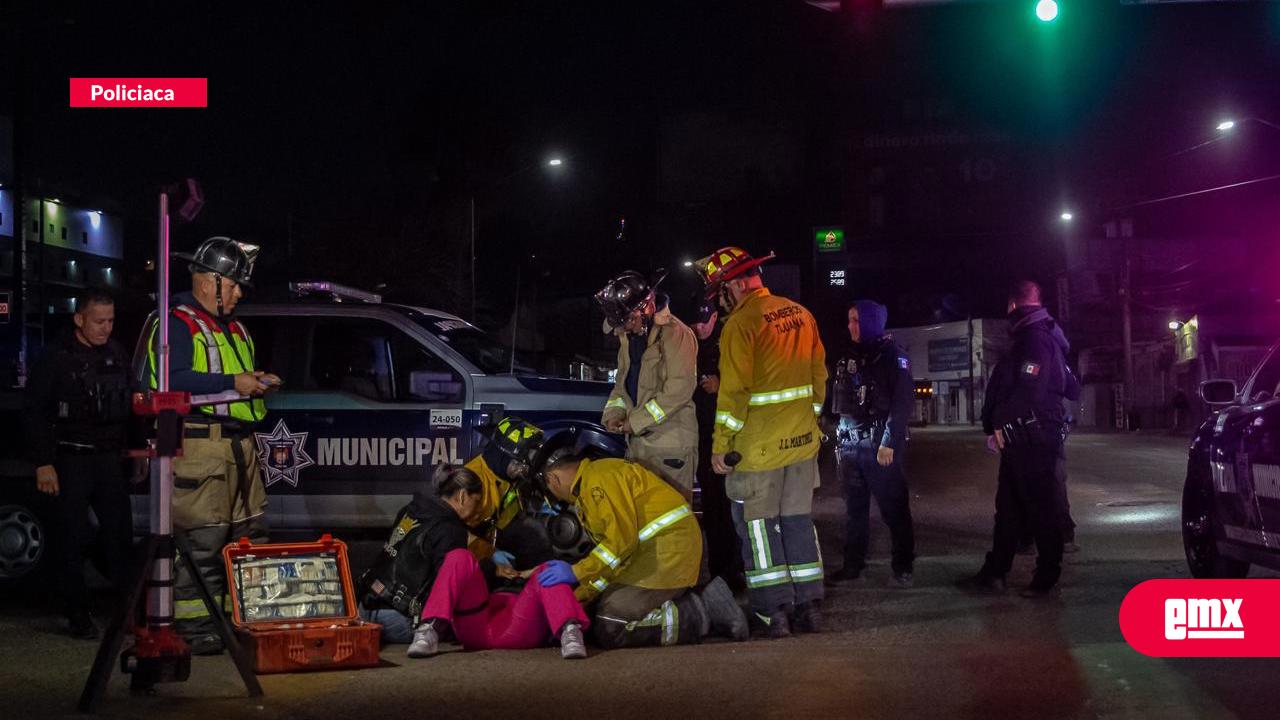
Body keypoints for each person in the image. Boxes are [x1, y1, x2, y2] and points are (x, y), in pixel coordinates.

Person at [147, 237, 280, 654]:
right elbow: (166, 380)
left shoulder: (233, 327)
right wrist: (232, 383)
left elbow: (231, 381)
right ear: (210, 282)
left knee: (246, 538)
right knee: (202, 541)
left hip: (239, 448)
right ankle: (194, 625)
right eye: (235, 284)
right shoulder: (175, 323)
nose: (239, 293)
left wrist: (255, 380)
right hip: (202, 446)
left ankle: (234, 619)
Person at [695, 246, 828, 638]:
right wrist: (809, 420)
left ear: (736, 284)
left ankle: (774, 614)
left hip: (758, 452)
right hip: (802, 446)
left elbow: (734, 393)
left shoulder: (741, 325)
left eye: (721, 291)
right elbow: (819, 379)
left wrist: (721, 444)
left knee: (759, 531)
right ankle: (808, 608)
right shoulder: (801, 314)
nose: (722, 299)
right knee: (799, 524)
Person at [360, 465, 591, 660]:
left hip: (368, 607)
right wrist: (496, 571)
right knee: (550, 570)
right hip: (402, 618)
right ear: (461, 496)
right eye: (476, 501)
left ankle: (428, 630)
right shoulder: (450, 531)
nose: (478, 510)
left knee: (465, 559)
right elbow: (449, 582)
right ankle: (570, 632)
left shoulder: (410, 511)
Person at [538, 452, 749, 649]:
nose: (558, 499)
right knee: (598, 611)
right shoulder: (597, 477)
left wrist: (576, 573)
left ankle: (700, 612)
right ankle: (702, 597)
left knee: (610, 625)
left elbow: (619, 545)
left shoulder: (597, 483)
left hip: (666, 554)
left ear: (553, 479)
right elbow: (613, 559)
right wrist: (583, 595)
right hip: (659, 552)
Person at [23, 288, 134, 639]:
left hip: (108, 459)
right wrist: (44, 463)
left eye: (111, 321)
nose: (106, 328)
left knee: (120, 535)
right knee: (70, 538)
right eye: (99, 321)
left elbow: (131, 404)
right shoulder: (56, 358)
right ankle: (78, 615)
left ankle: (126, 611)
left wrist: (135, 451)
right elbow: (34, 413)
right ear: (79, 319)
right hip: (71, 458)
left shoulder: (116, 353)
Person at [964, 280, 1074, 598]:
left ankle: (1046, 577)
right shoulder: (1030, 337)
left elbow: (1030, 389)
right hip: (1021, 435)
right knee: (1009, 509)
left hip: (1033, 435)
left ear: (1013, 305)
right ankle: (996, 572)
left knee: (1041, 508)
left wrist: (998, 423)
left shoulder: (1035, 340)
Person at [827, 300, 916, 588]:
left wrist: (889, 441)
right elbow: (838, 401)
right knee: (855, 511)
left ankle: (903, 567)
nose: (850, 326)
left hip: (879, 445)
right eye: (850, 320)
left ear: (870, 322)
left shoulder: (892, 356)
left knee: (894, 509)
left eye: (856, 320)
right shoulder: (849, 356)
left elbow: (902, 403)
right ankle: (853, 565)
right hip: (850, 445)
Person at [595, 271, 700, 503]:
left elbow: (679, 390)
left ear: (647, 308)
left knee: (672, 522)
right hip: (639, 446)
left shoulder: (676, 334)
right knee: (644, 522)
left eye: (628, 320)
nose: (624, 328)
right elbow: (622, 384)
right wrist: (614, 414)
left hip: (670, 447)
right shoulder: (628, 338)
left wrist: (635, 422)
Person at [690, 300, 743, 591]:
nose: (699, 328)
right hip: (702, 440)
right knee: (711, 513)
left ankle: (736, 573)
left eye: (704, 322)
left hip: (726, 440)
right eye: (695, 323)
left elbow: (746, 384)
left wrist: (721, 385)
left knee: (731, 511)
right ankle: (718, 574)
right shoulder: (691, 348)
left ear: (714, 317)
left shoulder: (728, 344)